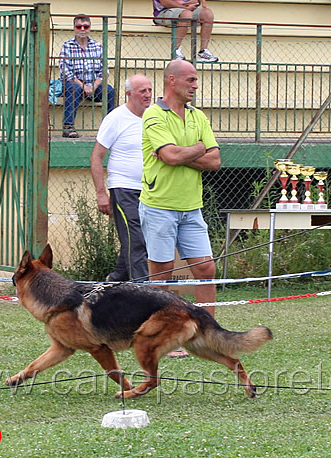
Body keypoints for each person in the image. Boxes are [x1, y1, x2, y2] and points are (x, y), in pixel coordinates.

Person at [139, 59, 221, 319]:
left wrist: (183, 154)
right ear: (171, 80)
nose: (195, 85)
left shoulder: (198, 116)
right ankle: (160, 335)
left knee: (206, 269)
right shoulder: (153, 114)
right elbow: (172, 156)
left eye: (196, 80)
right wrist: (197, 149)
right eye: (191, 79)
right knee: (162, 275)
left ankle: (209, 333)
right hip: (159, 206)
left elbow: (214, 160)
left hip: (192, 208)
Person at [90, 74, 153, 282]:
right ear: (129, 94)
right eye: (142, 91)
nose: (148, 95)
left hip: (150, 191)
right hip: (123, 189)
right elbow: (97, 157)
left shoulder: (155, 117)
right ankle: (143, 292)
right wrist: (101, 193)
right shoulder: (116, 118)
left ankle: (113, 282)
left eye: (150, 90)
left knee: (138, 241)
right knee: (135, 241)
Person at [59, 15, 115, 138]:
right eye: (79, 26)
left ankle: (110, 127)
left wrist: (93, 86)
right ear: (74, 28)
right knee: (73, 88)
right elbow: (65, 71)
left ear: (90, 28)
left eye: (86, 26)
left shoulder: (98, 46)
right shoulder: (67, 46)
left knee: (109, 91)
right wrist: (83, 86)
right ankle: (68, 127)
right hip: (75, 84)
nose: (82, 29)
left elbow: (104, 70)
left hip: (93, 85)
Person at [152, 0, 219, 63]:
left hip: (186, 9)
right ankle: (175, 52)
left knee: (207, 13)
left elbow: (196, 2)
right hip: (164, 12)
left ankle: (203, 52)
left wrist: (196, 2)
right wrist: (185, 6)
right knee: (187, 14)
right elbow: (165, 2)